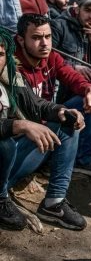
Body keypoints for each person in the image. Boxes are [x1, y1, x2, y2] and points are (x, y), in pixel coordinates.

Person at [0, 27, 86, 231]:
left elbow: (36, 104)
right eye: (37, 37)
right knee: (5, 144)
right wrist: (19, 125)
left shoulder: (10, 75)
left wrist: (60, 111)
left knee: (67, 122)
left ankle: (54, 202)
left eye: (1, 54)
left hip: (7, 166)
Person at [14, 12, 91, 179]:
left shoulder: (51, 57)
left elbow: (72, 77)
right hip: (26, 136)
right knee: (67, 121)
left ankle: (83, 160)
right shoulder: (13, 65)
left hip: (48, 123)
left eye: (48, 37)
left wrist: (90, 89)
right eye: (36, 38)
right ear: (21, 40)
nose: (44, 44)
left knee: (87, 98)